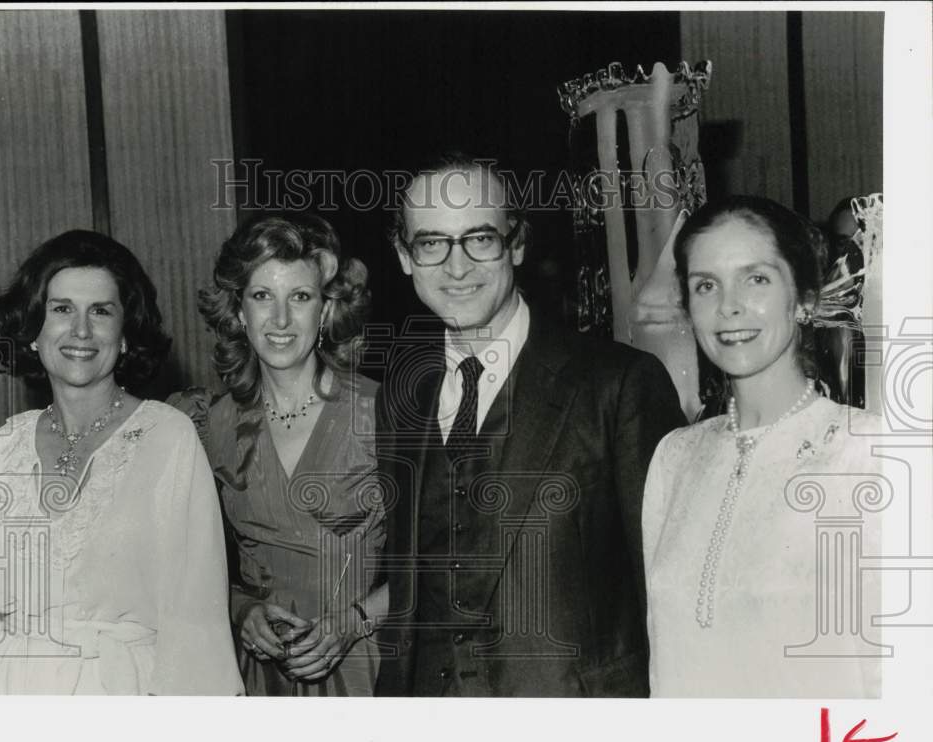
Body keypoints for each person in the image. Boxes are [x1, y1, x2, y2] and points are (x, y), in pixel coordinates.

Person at [374, 153, 685, 697]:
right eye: (431, 243)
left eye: (480, 239)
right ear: (404, 255)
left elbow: (666, 595)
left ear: (516, 243)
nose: (457, 267)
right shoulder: (402, 396)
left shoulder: (619, 383)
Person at [0, 230, 243, 695]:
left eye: (101, 311)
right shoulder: (3, 447)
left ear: (125, 335)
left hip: (123, 701)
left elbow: (196, 621)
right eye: (61, 309)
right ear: (34, 330)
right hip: (12, 700)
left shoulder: (167, 437)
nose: (80, 330)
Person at [643, 196, 883, 698]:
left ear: (804, 299)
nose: (728, 305)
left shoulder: (866, 452)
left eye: (756, 279)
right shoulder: (674, 457)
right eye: (705, 285)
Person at [171, 212, 386, 696]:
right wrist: (241, 609)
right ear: (239, 310)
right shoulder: (209, 426)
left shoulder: (383, 415)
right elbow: (182, 573)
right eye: (263, 296)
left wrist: (354, 622)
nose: (281, 320)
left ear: (327, 310)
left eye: (301, 297)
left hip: (366, 672)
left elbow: (446, 564)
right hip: (259, 678)